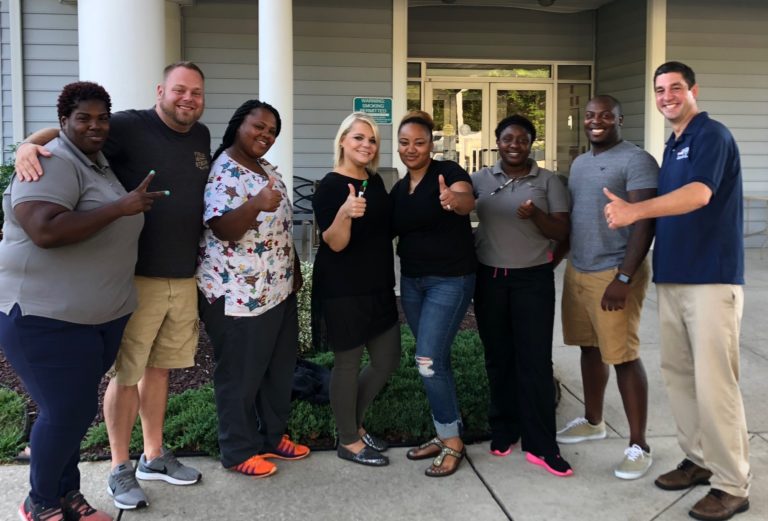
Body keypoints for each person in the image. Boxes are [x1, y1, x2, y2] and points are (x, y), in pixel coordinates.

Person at [14, 62, 209, 510]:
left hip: (183, 274)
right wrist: (28, 145)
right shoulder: (127, 125)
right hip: (136, 275)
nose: (188, 99)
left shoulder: (200, 136)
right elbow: (73, 129)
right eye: (180, 90)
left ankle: (154, 455)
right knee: (128, 374)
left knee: (161, 369)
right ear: (161, 89)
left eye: (196, 93)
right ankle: (121, 464)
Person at [0, 82, 164, 521]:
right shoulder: (51, 163)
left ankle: (68, 495)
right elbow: (45, 230)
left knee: (73, 412)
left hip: (98, 317)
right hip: (46, 316)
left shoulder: (99, 162)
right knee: (66, 410)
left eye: (101, 118)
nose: (95, 126)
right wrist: (121, 208)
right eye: (83, 118)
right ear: (63, 123)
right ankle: (40, 504)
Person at [604, 61, 750, 521]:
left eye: (675, 88)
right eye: (660, 90)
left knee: (716, 386)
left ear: (693, 90)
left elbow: (698, 195)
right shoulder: (674, 143)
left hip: (711, 280)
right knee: (681, 378)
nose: (667, 96)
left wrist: (634, 211)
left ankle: (732, 484)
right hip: (675, 278)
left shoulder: (711, 136)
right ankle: (699, 459)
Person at [197, 99, 309, 479]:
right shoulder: (224, 170)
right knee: (240, 375)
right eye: (258, 126)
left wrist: (294, 272)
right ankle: (237, 449)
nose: (265, 135)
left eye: (272, 130)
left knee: (277, 370)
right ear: (238, 125)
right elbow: (223, 228)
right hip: (237, 297)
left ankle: (272, 437)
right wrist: (257, 203)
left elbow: (281, 228)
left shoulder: (267, 169)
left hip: (276, 290)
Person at [553, 95, 658, 480]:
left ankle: (639, 445)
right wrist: (558, 254)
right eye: (590, 116)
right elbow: (579, 217)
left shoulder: (637, 160)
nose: (596, 122)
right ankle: (594, 421)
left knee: (624, 355)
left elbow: (645, 222)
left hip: (614, 272)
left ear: (619, 119)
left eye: (605, 116)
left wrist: (625, 278)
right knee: (589, 348)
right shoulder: (580, 163)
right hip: (578, 269)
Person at [472, 114, 573, 477]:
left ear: (532, 144)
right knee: (498, 358)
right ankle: (504, 429)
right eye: (507, 139)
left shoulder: (548, 182)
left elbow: (562, 230)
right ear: (496, 141)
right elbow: (458, 212)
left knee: (534, 362)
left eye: (522, 140)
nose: (514, 145)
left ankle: (542, 443)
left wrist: (536, 216)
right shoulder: (480, 180)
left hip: (532, 281)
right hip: (490, 280)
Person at [311, 112, 401, 467]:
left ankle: (353, 424)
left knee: (387, 359)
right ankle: (348, 439)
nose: (366, 145)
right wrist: (345, 213)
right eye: (359, 138)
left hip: (379, 284)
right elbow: (334, 243)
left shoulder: (376, 182)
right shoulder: (330, 186)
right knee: (347, 364)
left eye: (372, 140)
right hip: (343, 287)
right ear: (343, 141)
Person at [390, 110, 476, 477]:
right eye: (405, 143)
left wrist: (452, 201)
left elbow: (465, 200)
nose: (411, 149)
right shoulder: (399, 187)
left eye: (419, 142)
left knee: (426, 361)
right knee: (435, 360)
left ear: (431, 144)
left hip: (449, 280)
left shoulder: (449, 173)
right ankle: (445, 432)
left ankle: (452, 442)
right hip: (411, 282)